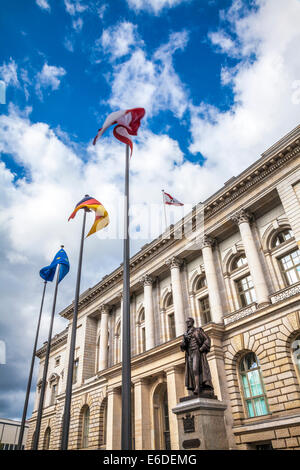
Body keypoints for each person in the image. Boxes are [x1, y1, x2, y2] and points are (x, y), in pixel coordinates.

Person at [180, 317, 214, 396]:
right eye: (186, 322)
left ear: (192, 322)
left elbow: (207, 339)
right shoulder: (185, 334)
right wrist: (185, 339)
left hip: (197, 352)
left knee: (195, 369)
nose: (187, 323)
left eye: (188, 322)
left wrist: (202, 348)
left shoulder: (198, 330)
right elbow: (182, 347)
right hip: (189, 354)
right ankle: (195, 386)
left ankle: (198, 387)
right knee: (191, 371)